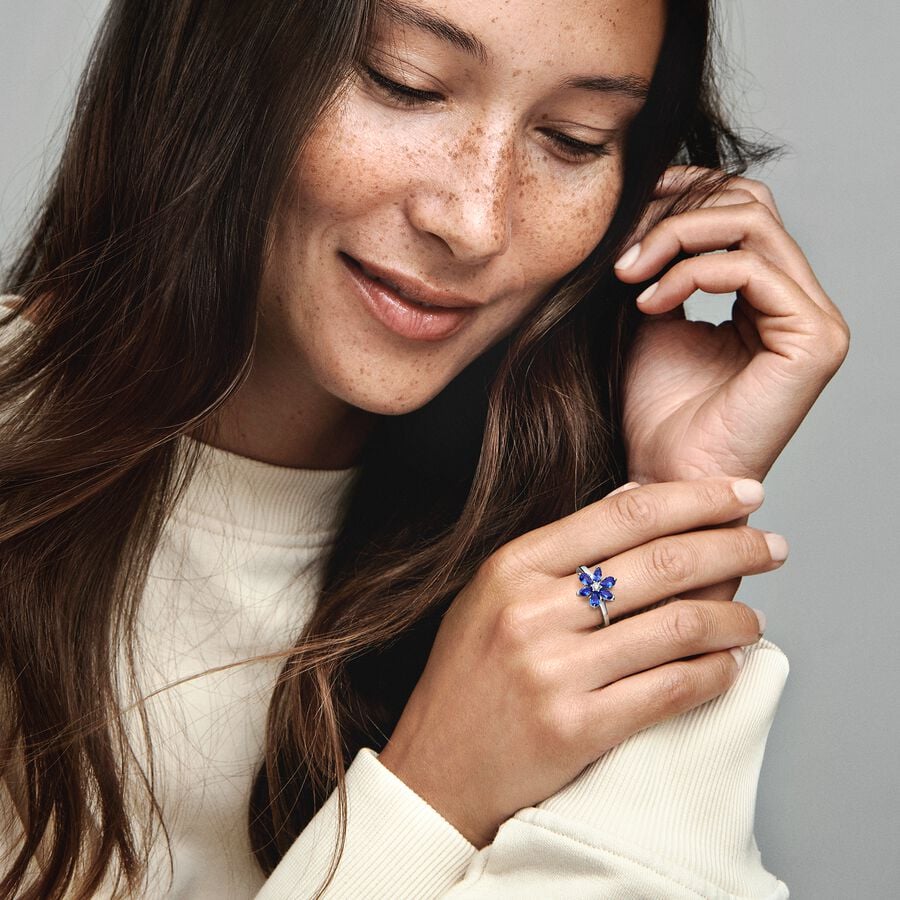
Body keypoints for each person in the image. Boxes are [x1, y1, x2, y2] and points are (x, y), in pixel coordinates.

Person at [0, 0, 849, 898]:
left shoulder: (555, 578)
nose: (475, 220)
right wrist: (431, 797)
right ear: (219, 54)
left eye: (573, 139)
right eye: (405, 84)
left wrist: (668, 511)